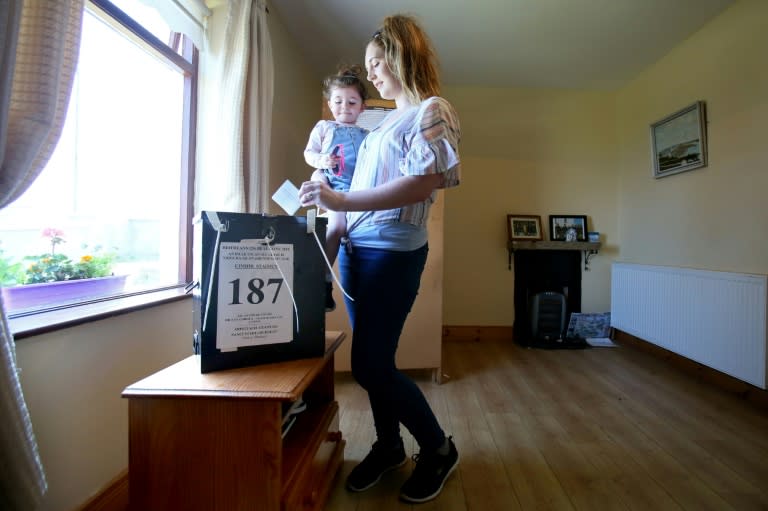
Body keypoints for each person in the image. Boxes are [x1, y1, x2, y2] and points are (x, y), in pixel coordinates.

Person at [299, 13, 461, 504]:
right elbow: (360, 190)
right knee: (376, 358)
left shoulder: (432, 110)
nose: (370, 73)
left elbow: (425, 180)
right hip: (357, 252)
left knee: (370, 366)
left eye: (376, 62)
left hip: (392, 254)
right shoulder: (382, 121)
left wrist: (343, 203)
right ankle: (390, 446)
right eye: (368, 64)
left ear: (399, 55)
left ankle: (437, 449)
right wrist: (329, 205)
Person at [303, 65, 369, 312]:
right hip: (334, 186)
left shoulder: (367, 135)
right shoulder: (324, 128)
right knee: (339, 226)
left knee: (355, 234)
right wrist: (322, 163)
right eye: (339, 101)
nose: (345, 107)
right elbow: (309, 153)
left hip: (357, 191)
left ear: (362, 106)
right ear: (330, 104)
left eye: (352, 102)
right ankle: (321, 281)